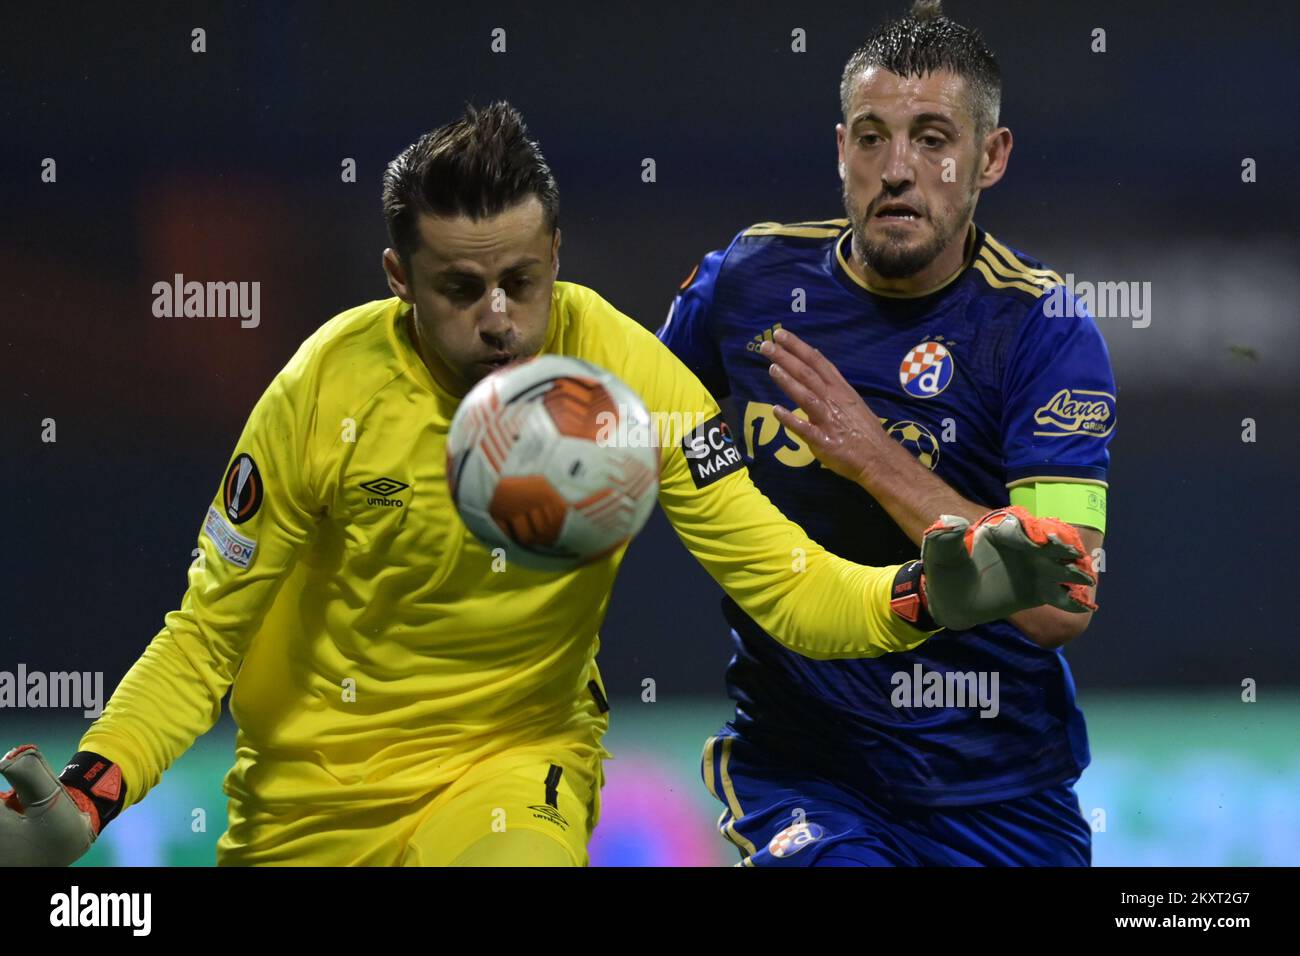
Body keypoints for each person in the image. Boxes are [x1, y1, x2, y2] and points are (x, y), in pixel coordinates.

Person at [1, 101, 1094, 867]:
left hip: (511, 769)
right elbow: (205, 635)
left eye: (522, 281)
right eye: (459, 286)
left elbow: (787, 580)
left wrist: (920, 597)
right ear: (398, 279)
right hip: (304, 802)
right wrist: (98, 790)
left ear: (558, 255)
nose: (496, 317)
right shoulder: (317, 388)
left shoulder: (633, 378)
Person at [659, 1, 1115, 865]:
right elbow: (631, 438)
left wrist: (874, 459)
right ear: (841, 151)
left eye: (934, 138)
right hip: (803, 773)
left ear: (991, 157)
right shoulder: (749, 283)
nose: (897, 169)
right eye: (872, 138)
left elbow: (1061, 603)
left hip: (999, 788)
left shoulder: (1041, 326)